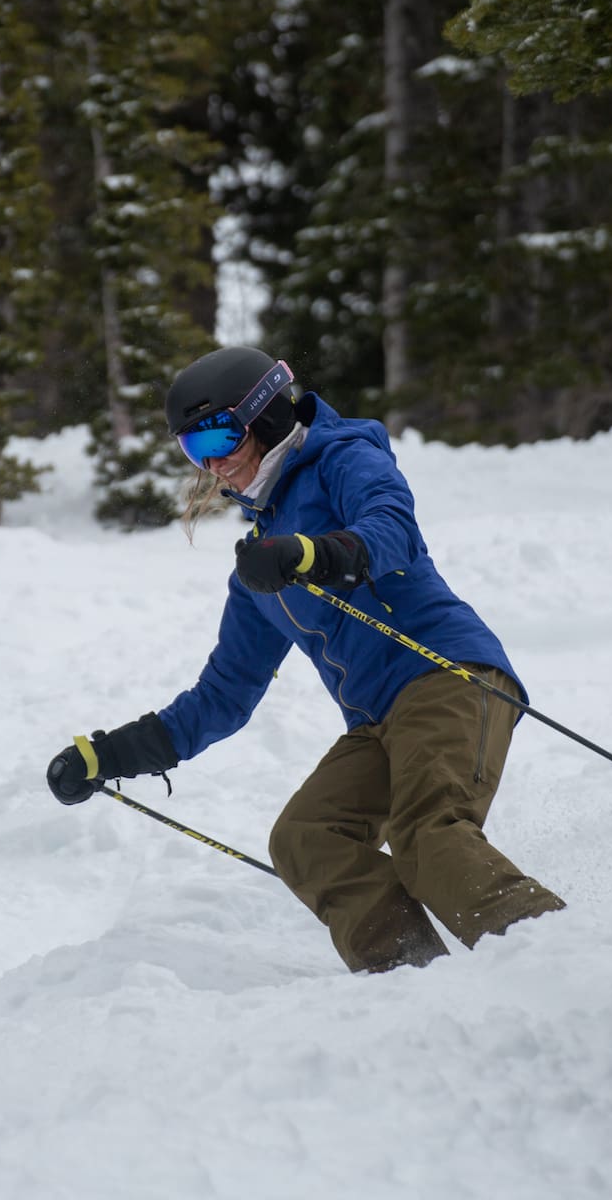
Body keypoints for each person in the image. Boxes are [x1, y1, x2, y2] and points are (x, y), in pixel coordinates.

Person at [46, 346, 565, 973]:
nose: (211, 462)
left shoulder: (343, 458)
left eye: (219, 434)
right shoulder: (259, 567)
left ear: (263, 415)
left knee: (427, 837)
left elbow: (390, 526)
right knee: (307, 839)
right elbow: (223, 696)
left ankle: (567, 958)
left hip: (448, 676)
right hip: (376, 722)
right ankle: (412, 980)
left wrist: (313, 553)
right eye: (192, 447)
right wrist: (113, 754)